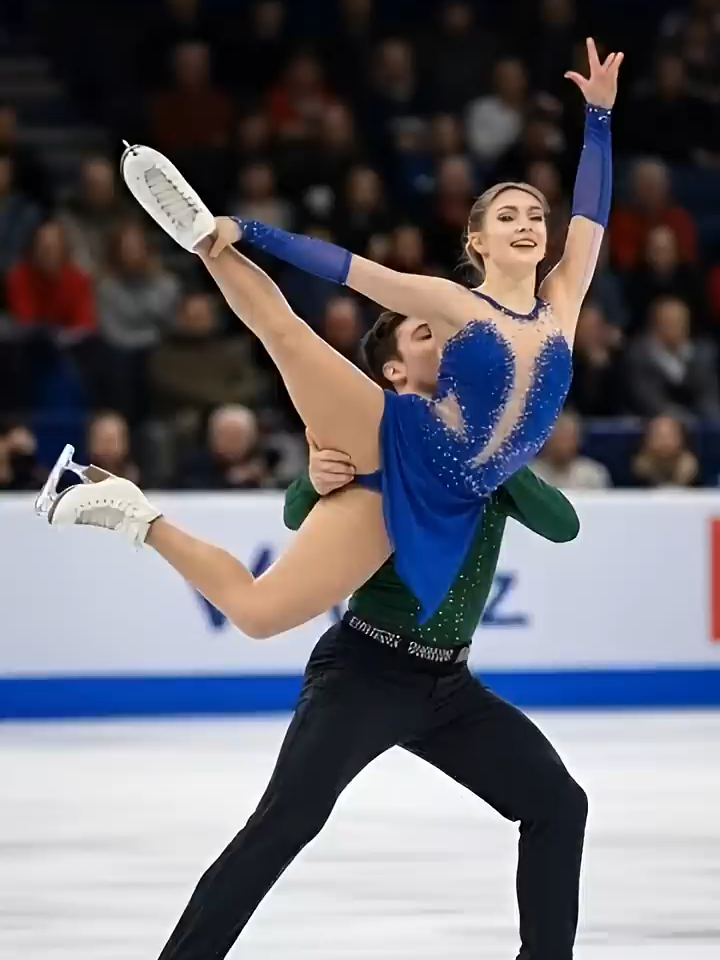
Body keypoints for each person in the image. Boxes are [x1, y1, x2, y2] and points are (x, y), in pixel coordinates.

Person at [42, 40, 620, 641]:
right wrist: (251, 229)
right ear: (478, 242)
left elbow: (592, 214)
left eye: (534, 216)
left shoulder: (564, 303)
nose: (526, 225)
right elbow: (349, 268)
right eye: (507, 217)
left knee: (259, 616)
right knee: (288, 336)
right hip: (400, 438)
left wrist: (598, 117)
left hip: (451, 496)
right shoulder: (454, 304)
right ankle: (202, 238)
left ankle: (136, 516)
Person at [145, 311, 587, 960]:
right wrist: (314, 478)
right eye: (425, 334)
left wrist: (487, 455)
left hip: (449, 687)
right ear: (395, 371)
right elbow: (300, 508)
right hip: (365, 674)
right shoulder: (381, 436)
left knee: (558, 803)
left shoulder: (483, 455)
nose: (447, 338)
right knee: (284, 824)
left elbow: (563, 524)